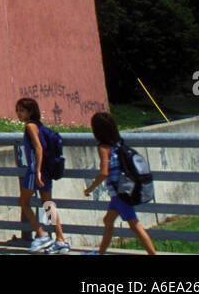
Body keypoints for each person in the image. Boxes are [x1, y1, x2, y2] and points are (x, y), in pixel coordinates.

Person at [83, 111, 157, 255]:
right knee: (108, 221)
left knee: (134, 225)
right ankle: (100, 253)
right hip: (120, 191)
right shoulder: (118, 144)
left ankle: (153, 254)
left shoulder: (103, 148)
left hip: (119, 194)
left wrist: (90, 188)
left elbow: (104, 172)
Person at [15, 97, 70, 253]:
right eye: (18, 110)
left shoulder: (30, 126)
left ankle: (42, 235)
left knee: (24, 202)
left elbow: (38, 148)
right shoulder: (39, 125)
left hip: (35, 171)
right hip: (45, 170)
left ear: (30, 111)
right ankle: (60, 239)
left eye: (22, 110)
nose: (19, 114)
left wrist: (37, 170)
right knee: (47, 205)